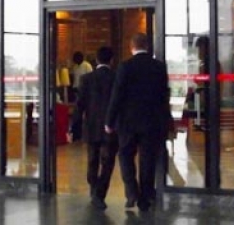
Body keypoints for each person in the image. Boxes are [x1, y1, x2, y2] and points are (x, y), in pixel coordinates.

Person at [105, 33, 172, 212]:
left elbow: (117, 95)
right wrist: (166, 121)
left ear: (131, 47)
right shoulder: (159, 67)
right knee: (147, 159)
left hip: (128, 122)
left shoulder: (125, 67)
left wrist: (109, 121)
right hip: (151, 121)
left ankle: (132, 191)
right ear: (147, 46)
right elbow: (164, 96)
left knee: (125, 155)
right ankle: (145, 198)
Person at [71, 46, 119, 210]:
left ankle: (93, 187)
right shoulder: (116, 78)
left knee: (92, 159)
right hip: (111, 127)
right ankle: (100, 194)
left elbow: (79, 106)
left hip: (91, 126)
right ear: (112, 60)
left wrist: (74, 128)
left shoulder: (86, 79)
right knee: (108, 162)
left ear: (96, 60)